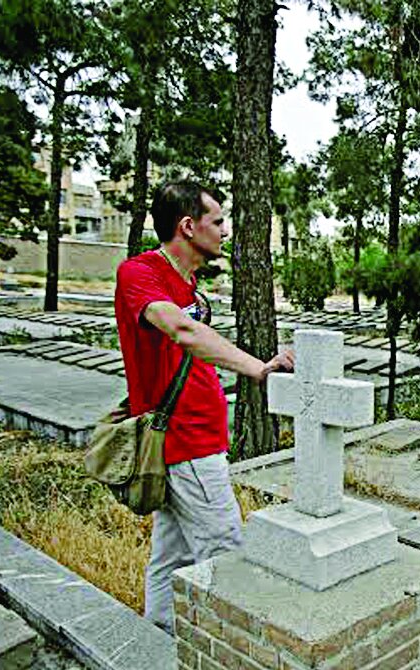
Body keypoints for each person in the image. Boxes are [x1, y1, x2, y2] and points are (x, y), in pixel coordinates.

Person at [113, 180, 295, 633]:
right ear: (189, 227)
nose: (225, 231)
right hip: (185, 443)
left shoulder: (189, 284)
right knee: (226, 554)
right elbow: (183, 331)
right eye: (218, 221)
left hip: (198, 441)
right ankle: (232, 657)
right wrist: (258, 368)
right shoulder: (140, 273)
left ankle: (156, 636)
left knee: (170, 555)